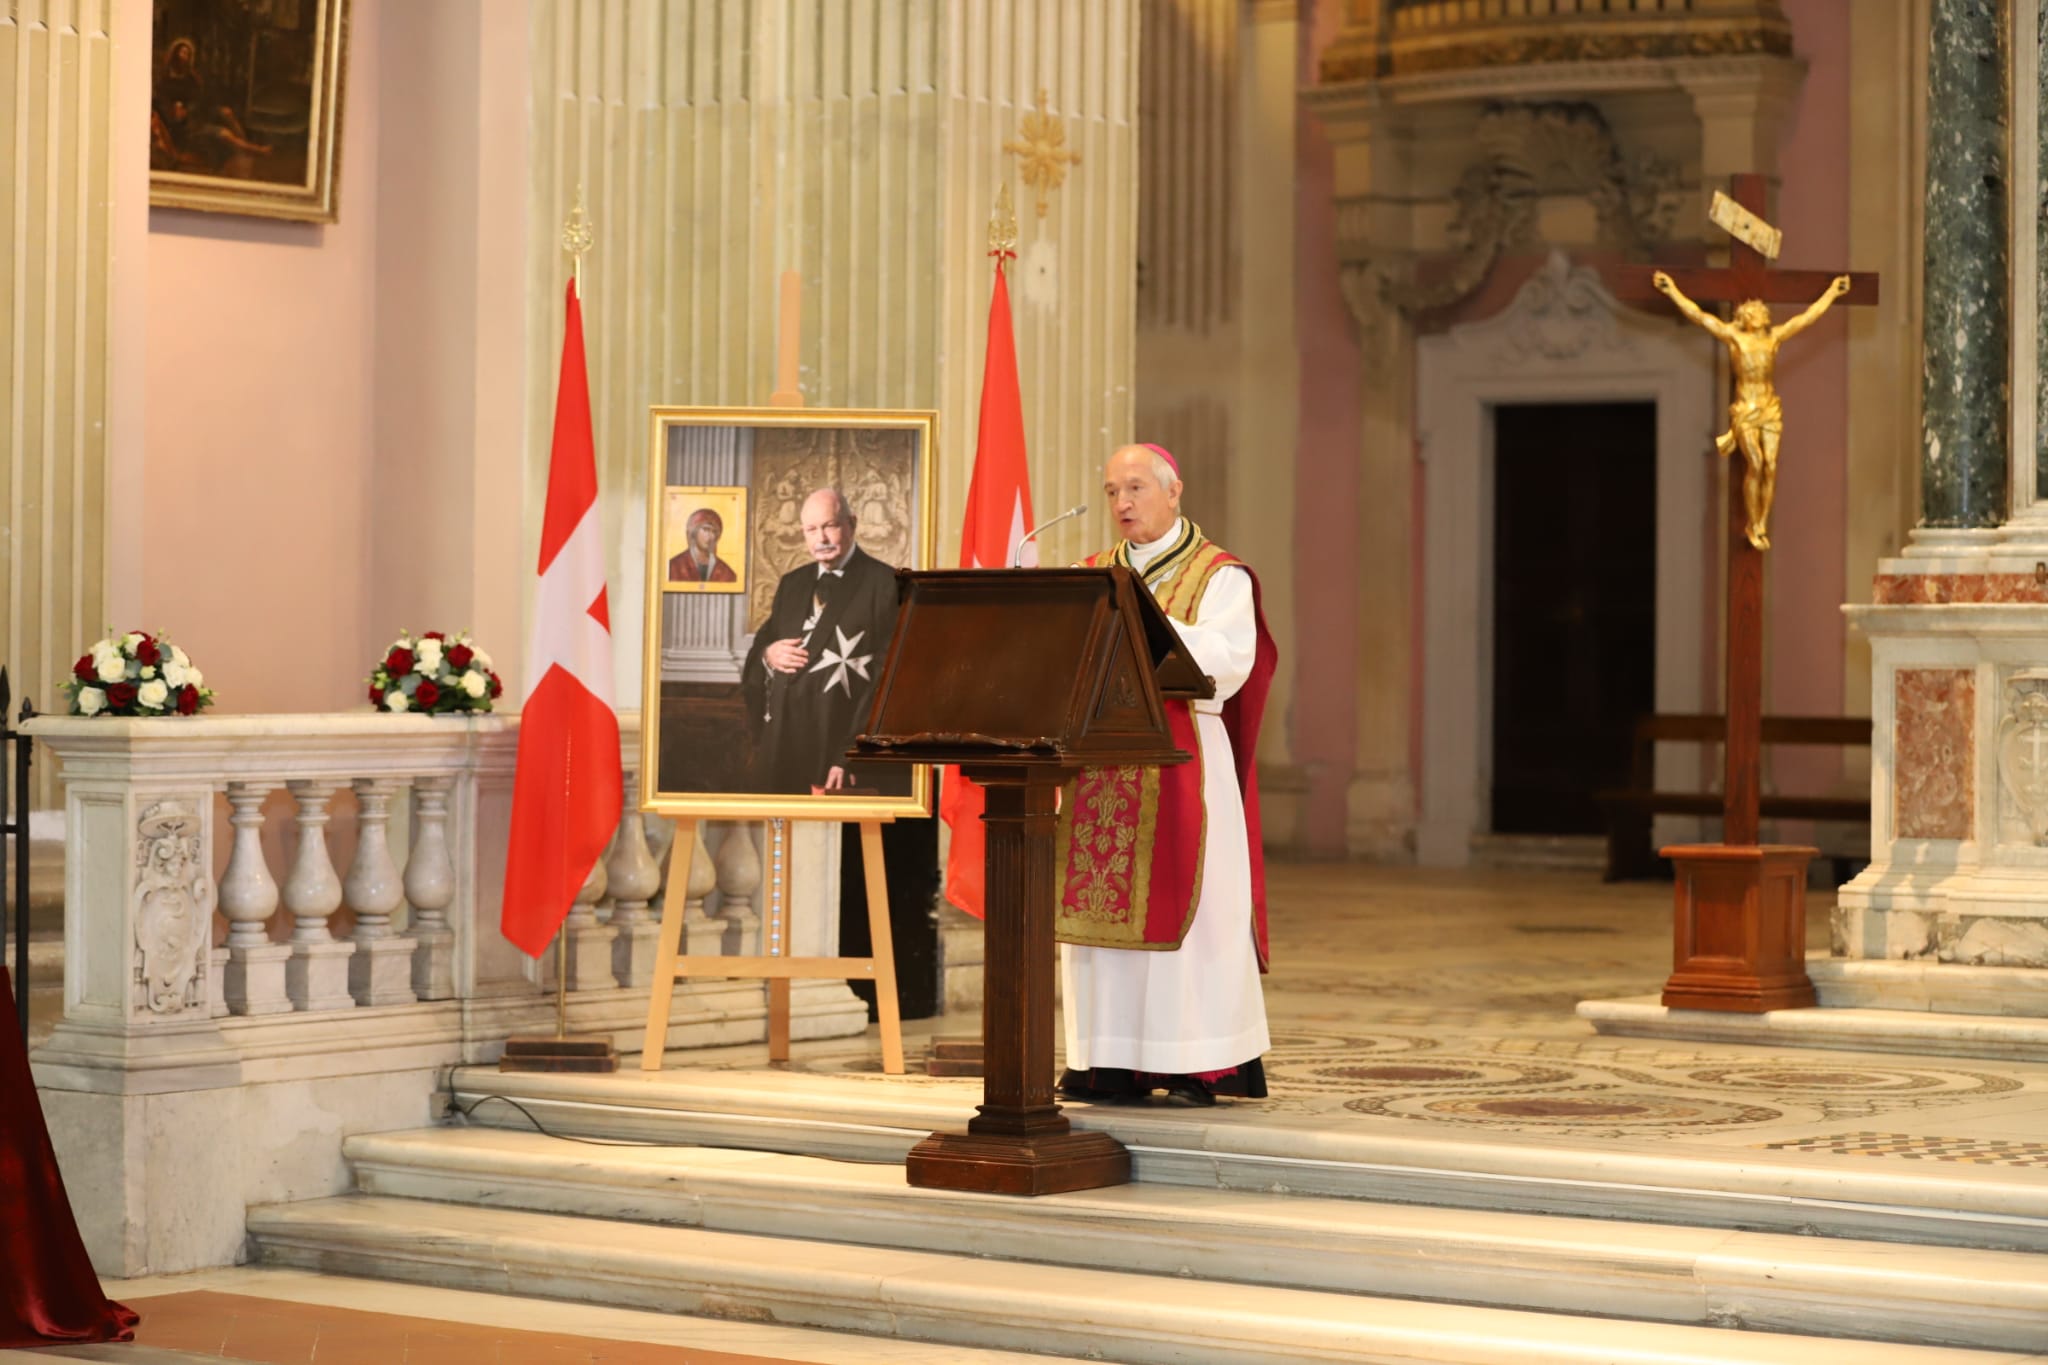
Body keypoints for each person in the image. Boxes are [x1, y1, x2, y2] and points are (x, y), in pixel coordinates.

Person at [1055, 442, 1279, 1106]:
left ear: (1174, 491)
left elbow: (1229, 660)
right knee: (1100, 921)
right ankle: (1107, 1061)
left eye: (1136, 488)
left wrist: (1147, 627)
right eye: (1112, 492)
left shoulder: (1220, 575)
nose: (1123, 503)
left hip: (1186, 763)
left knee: (1196, 915)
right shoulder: (1090, 573)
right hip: (1101, 765)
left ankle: (1194, 1063)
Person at [1651, 270, 1852, 550]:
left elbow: (1806, 318)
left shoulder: (1774, 338)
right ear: (1746, 316)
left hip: (1769, 409)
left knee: (1770, 466)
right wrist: (1672, 290)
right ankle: (1751, 523)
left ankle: (1760, 524)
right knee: (1755, 463)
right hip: (1745, 410)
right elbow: (1698, 316)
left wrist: (1832, 292)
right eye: (1757, 311)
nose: (1763, 313)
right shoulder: (1734, 337)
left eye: (1763, 311)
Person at [741, 488, 906, 795]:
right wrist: (768, 654)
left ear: (852, 524)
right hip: (783, 747)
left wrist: (850, 755)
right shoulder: (792, 584)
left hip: (836, 753)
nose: (822, 538)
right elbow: (762, 645)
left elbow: (887, 682)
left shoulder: (886, 585)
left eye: (830, 526)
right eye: (811, 529)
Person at [667, 507, 738, 584]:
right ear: (694, 532)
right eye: (705, 529)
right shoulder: (674, 567)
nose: (710, 536)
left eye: (714, 531)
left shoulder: (725, 572)